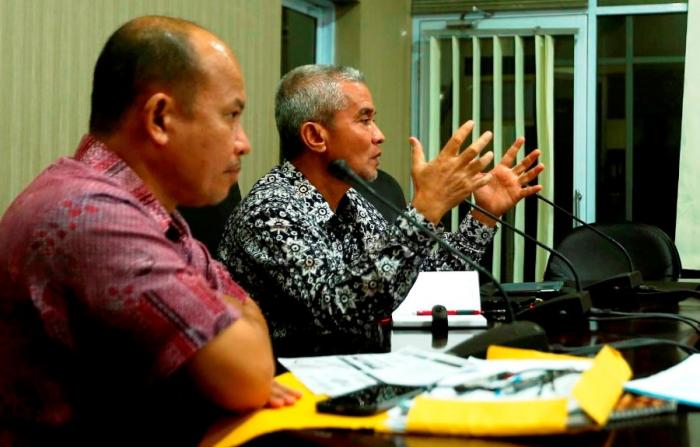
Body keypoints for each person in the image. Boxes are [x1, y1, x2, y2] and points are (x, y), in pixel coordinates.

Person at [0, 16, 298, 446]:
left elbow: (247, 319)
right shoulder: (96, 217)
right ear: (159, 118)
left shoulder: (142, 208)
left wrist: (226, 333)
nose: (243, 142)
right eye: (231, 115)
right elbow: (249, 373)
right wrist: (225, 333)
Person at [217, 65, 543, 357]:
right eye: (365, 120)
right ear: (315, 136)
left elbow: (421, 283)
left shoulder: (353, 201)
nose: (379, 135)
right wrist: (424, 209)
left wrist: (484, 215)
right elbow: (341, 310)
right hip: (297, 389)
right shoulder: (270, 212)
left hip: (364, 372)